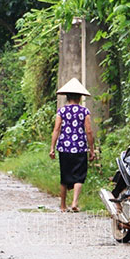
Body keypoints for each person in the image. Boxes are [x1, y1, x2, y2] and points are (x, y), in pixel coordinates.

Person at [49, 78, 96, 213]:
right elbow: (89, 131)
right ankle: (74, 202)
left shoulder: (61, 111)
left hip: (64, 147)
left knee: (65, 175)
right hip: (80, 147)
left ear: (67, 97)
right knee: (79, 175)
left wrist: (52, 148)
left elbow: (56, 129)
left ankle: (63, 206)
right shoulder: (84, 112)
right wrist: (91, 150)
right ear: (80, 97)